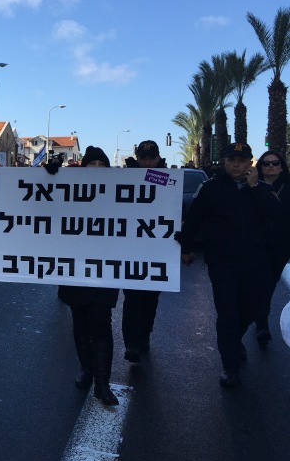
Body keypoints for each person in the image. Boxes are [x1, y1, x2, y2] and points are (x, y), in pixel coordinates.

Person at [180, 142, 279, 387]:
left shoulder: (261, 189)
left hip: (255, 263)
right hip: (222, 263)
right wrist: (186, 248)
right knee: (227, 313)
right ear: (224, 162)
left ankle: (233, 343)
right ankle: (230, 366)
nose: (236, 165)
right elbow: (193, 220)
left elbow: (274, 214)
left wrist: (255, 187)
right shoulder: (210, 189)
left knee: (254, 310)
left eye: (241, 160)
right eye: (231, 160)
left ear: (250, 163)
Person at [54, 146, 120, 405]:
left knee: (101, 321)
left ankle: (102, 383)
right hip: (75, 267)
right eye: (90, 164)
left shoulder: (118, 192)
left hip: (105, 269)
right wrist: (50, 177)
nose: (95, 169)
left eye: (100, 164)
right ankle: (86, 370)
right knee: (80, 320)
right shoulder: (68, 192)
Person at [120, 140, 168, 363]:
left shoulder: (167, 180)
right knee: (131, 298)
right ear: (138, 159)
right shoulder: (125, 178)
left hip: (157, 251)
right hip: (131, 250)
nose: (147, 162)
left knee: (150, 299)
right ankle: (132, 344)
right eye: (143, 158)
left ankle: (144, 335)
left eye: (151, 158)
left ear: (158, 158)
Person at [254, 150, 290, 349]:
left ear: (281, 166)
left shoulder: (288, 188)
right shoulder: (252, 187)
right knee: (260, 283)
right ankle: (261, 322)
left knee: (268, 284)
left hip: (279, 246)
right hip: (255, 246)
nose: (270, 166)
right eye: (266, 163)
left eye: (274, 163)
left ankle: (261, 320)